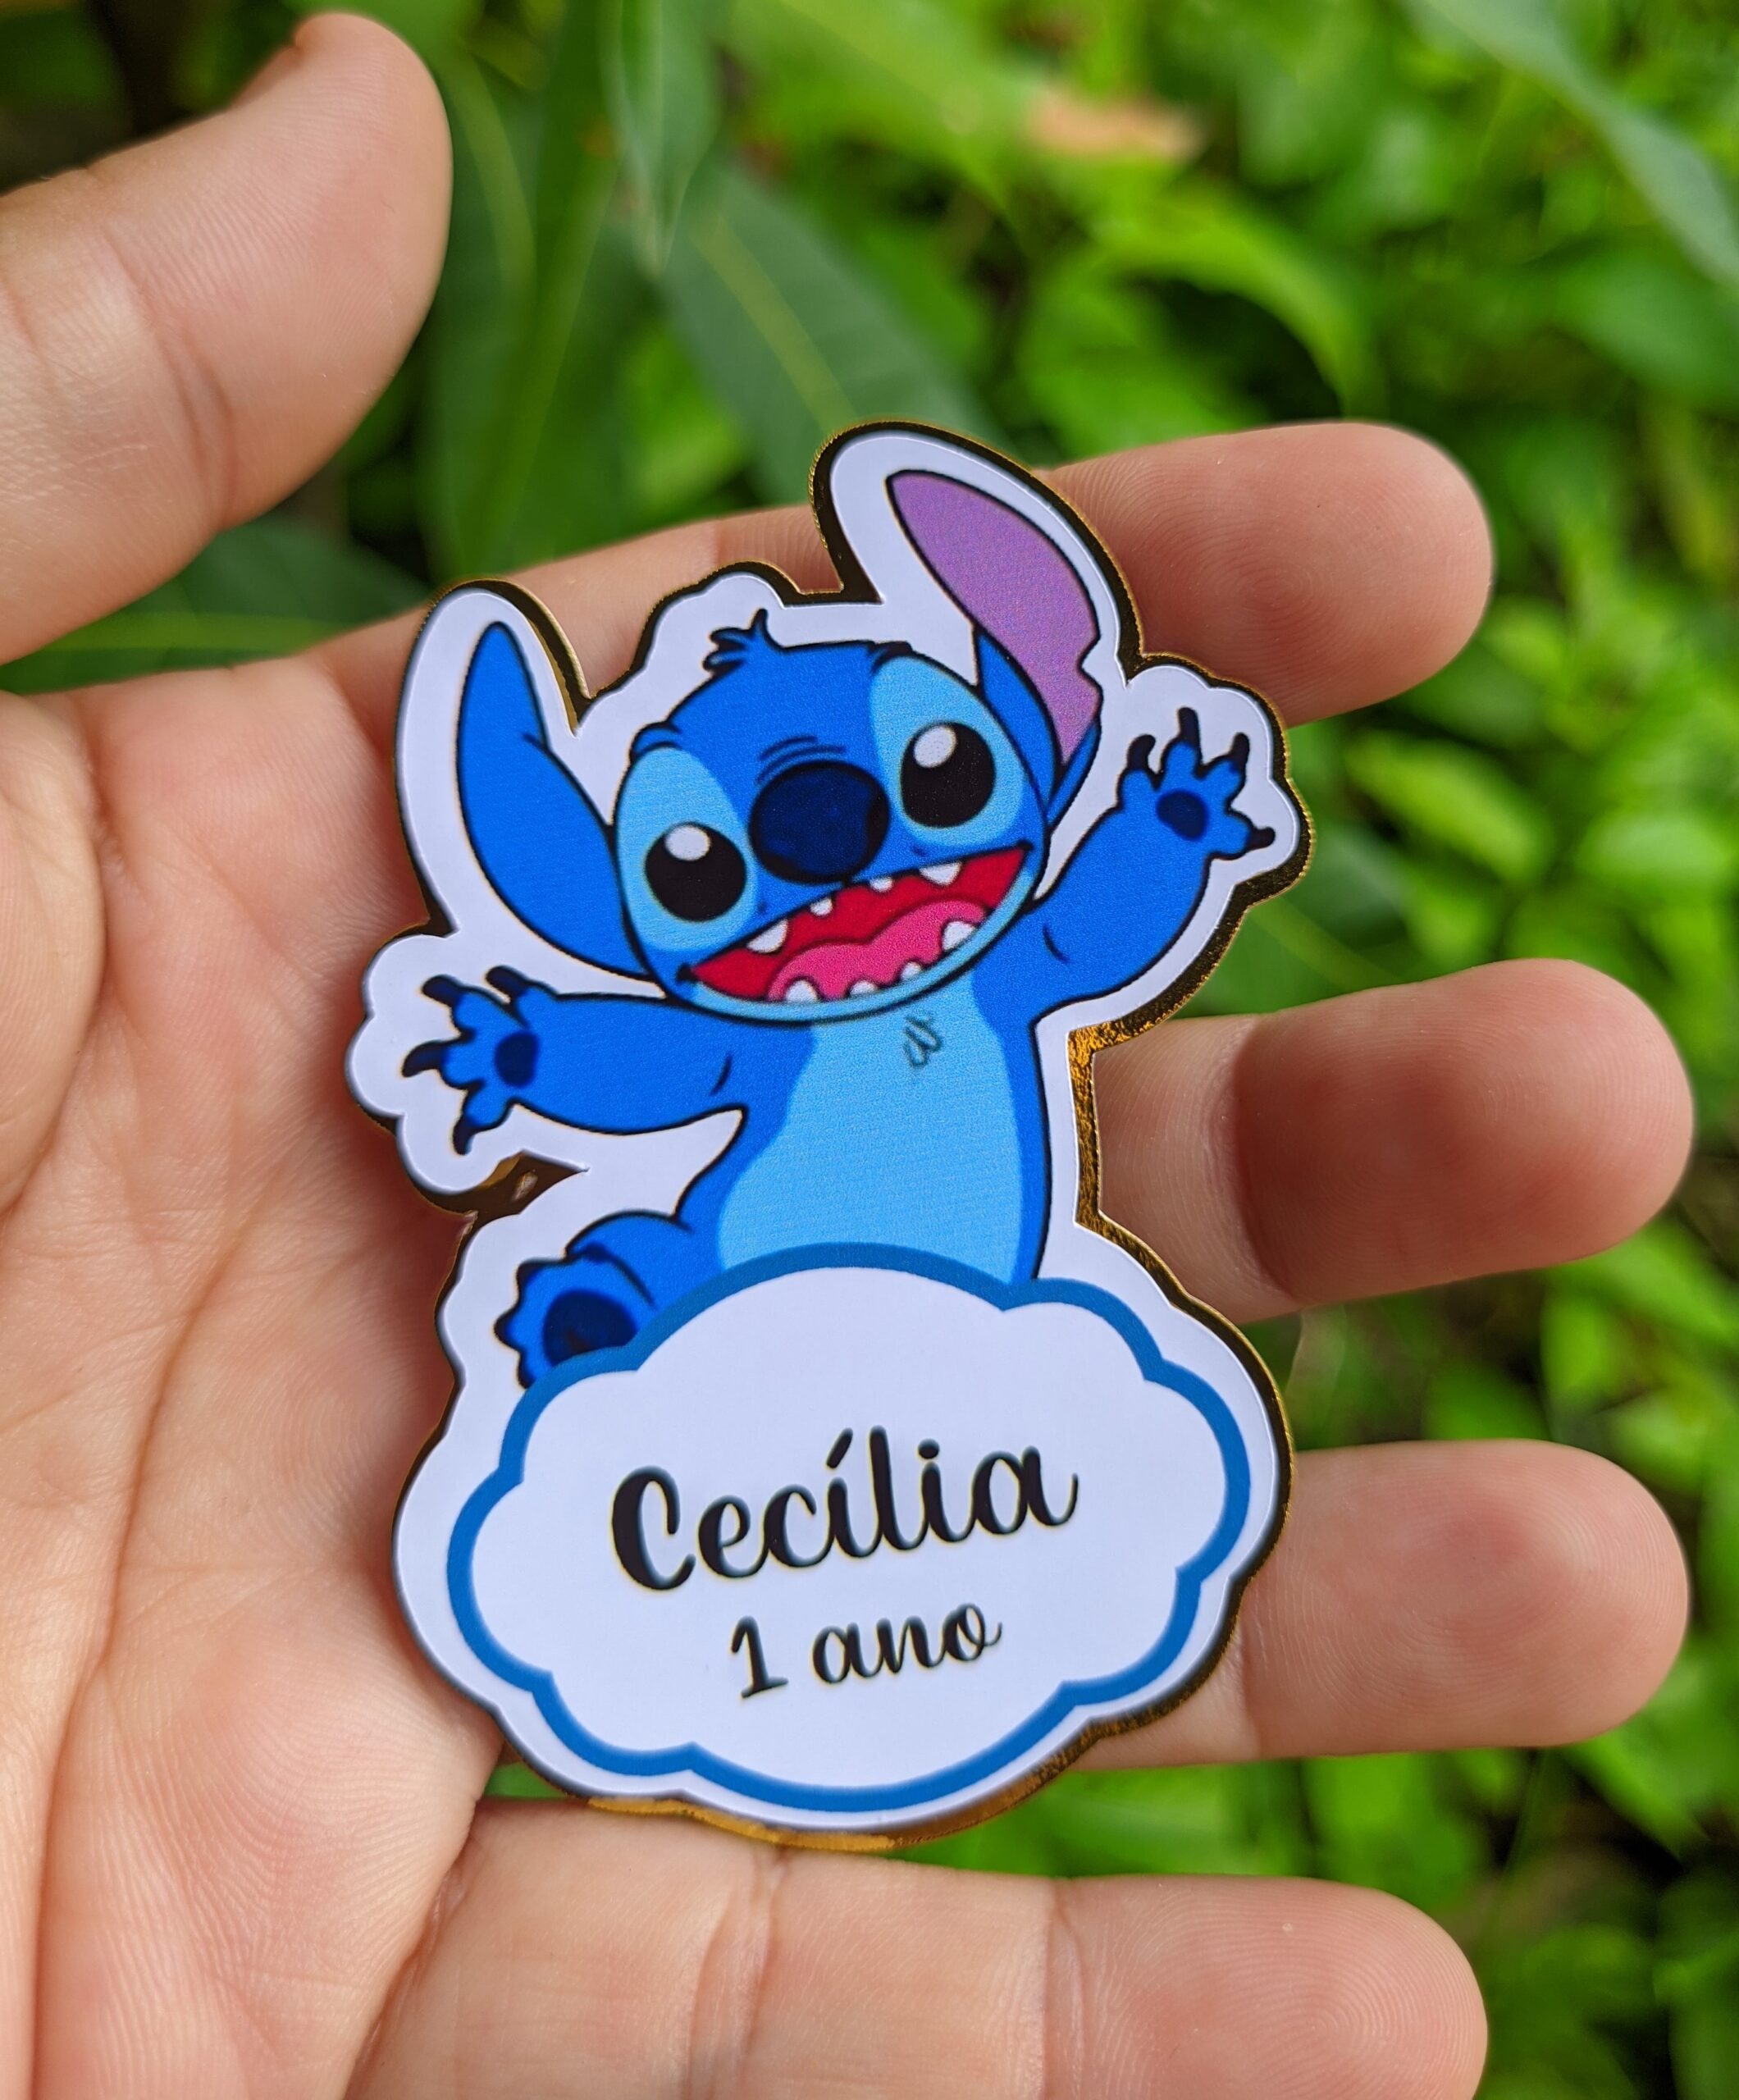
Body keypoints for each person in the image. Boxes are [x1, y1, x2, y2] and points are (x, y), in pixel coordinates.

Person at [0, 16, 1692, 2098]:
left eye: (933, 777)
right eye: (709, 858)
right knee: (657, 1270)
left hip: (974, 1373)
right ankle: (616, 1305)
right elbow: (641, 1070)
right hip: (749, 1351)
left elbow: (1086, 931)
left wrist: (1163, 823)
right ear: (616, 882)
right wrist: (520, 1041)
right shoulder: (734, 1031)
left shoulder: (997, 975)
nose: (836, 855)